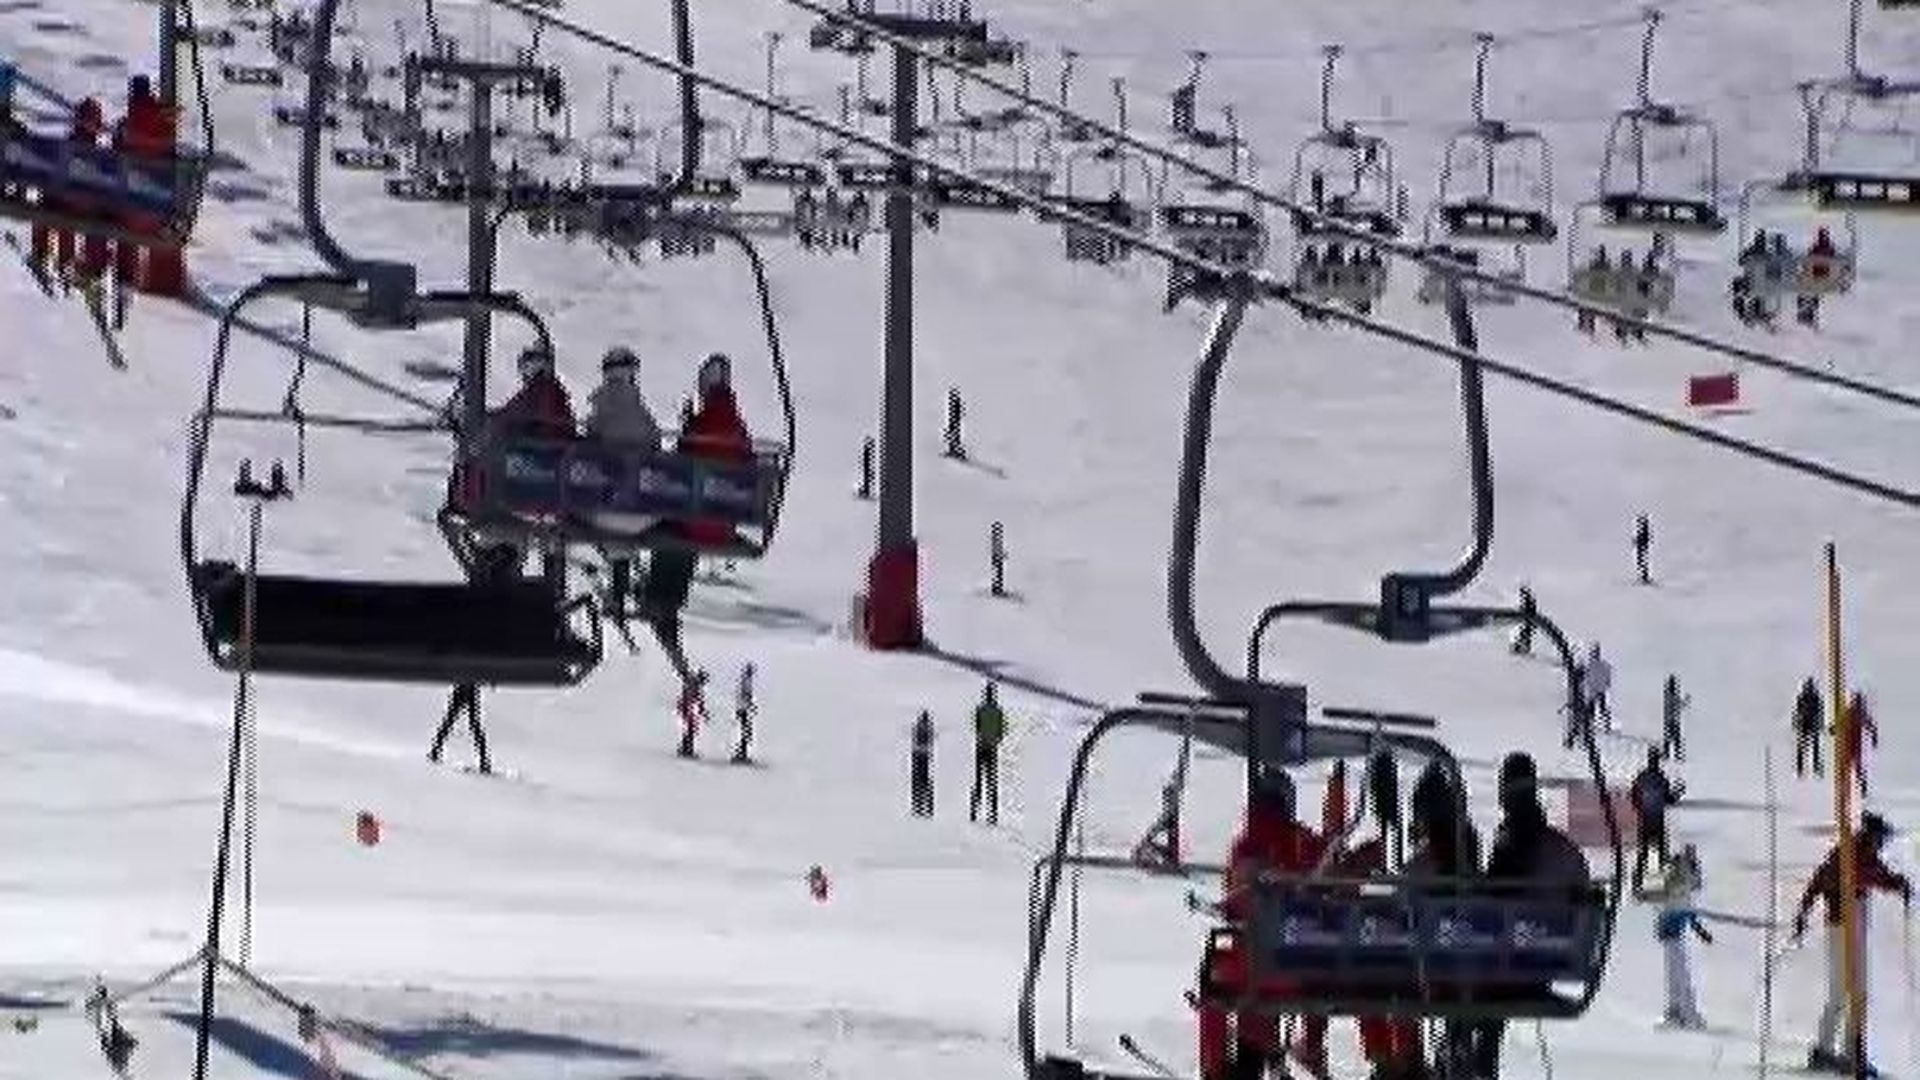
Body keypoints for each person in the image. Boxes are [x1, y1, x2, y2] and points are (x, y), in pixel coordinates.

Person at [1199, 764, 1327, 1080]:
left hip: (1255, 970)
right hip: (1304, 970)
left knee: (1221, 977)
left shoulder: (1246, 845)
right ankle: (1281, 1049)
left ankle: (1219, 1069)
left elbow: (1237, 900)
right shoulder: (1305, 841)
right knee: (1257, 967)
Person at [1471, 753, 1592, 1080]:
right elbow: (1582, 889)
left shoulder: (1513, 843)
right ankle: (1478, 1064)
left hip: (1507, 970)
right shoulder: (1559, 846)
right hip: (1545, 965)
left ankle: (1475, 1065)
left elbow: (1494, 899)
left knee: (1461, 982)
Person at [1790, 812, 1912, 1075]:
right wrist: (1893, 883)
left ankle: (1835, 1050)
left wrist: (1895, 882)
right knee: (1851, 992)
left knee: (1846, 993)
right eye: (1881, 839)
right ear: (1872, 835)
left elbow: (1872, 872)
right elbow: (1864, 875)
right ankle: (1846, 1053)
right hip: (1844, 926)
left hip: (1847, 924)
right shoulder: (1852, 854)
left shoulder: (1855, 851)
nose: (1882, 845)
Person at [1404, 761, 1482, 1080]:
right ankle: (1458, 1052)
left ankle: (1407, 1064)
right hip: (1475, 964)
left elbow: (1400, 903)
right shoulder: (1465, 854)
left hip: (1433, 970)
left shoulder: (1428, 860)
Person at [584, 346, 663, 608]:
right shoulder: (642, 415)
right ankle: (622, 581)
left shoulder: (600, 411)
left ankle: (617, 584)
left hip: (604, 507)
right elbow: (656, 450)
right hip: (642, 511)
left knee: (593, 507)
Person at [112, 74, 184, 297]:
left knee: (124, 224)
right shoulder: (164, 121)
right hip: (159, 207)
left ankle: (124, 275)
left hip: (130, 208)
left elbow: (115, 155)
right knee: (163, 223)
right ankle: (165, 281)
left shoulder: (127, 126)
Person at [31, 98, 111, 286]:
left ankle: (43, 252)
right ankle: (87, 265)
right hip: (86, 209)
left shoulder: (64, 147)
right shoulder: (102, 155)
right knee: (92, 214)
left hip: (63, 204)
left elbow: (47, 175)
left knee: (52, 203)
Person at [1652, 844, 1712, 1029]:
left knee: (1679, 975)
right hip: (1672, 932)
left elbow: (1681, 908)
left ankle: (1688, 1015)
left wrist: (1698, 930)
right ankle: (1677, 1012)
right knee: (1676, 975)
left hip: (1674, 932)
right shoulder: (1680, 882)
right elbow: (1680, 907)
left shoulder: (1681, 882)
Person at [1630, 746, 1684, 894]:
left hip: (1645, 820)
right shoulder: (1661, 779)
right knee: (1661, 855)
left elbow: (1633, 796)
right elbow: (1669, 800)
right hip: (1657, 821)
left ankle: (1637, 885)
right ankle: (1662, 885)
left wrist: (1640, 810)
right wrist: (1678, 793)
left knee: (1643, 855)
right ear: (1657, 761)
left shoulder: (1641, 777)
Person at [970, 682, 1006, 825]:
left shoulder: (981, 709)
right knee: (991, 781)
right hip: (992, 747)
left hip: (981, 746)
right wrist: (995, 740)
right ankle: (993, 815)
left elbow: (977, 728)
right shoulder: (997, 711)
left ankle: (974, 812)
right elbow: (1001, 730)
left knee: (978, 780)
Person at [1794, 677, 1825, 779]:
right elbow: (1798, 711)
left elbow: (1798, 712)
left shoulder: (1805, 697)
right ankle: (1810, 768)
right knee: (1812, 747)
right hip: (1809, 724)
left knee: (1806, 748)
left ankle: (1803, 769)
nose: (1810, 688)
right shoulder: (1814, 697)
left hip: (1806, 724)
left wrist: (1796, 723)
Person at [1580, 643, 1613, 731]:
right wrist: (1606, 685)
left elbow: (1586, 677)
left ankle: (1594, 725)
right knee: (1600, 708)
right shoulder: (1603, 665)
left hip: (1595, 690)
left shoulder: (1591, 665)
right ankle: (1604, 725)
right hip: (1598, 689)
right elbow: (1608, 677)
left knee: (1594, 708)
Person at [909, 710, 935, 817]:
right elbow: (930, 741)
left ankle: (917, 806)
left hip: (917, 754)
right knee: (925, 780)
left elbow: (914, 739)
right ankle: (929, 807)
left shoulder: (917, 727)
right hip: (925, 755)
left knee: (916, 781)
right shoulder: (929, 728)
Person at [1661, 674, 1690, 762]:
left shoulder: (1666, 696)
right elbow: (1680, 706)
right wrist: (1686, 700)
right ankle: (1677, 756)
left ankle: (1666, 755)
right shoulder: (1672, 697)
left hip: (1667, 721)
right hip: (1673, 721)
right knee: (1676, 740)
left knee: (1668, 739)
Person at [731, 661, 756, 764]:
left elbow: (744, 696)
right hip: (743, 709)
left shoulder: (745, 681)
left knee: (745, 733)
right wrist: (749, 704)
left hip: (743, 709)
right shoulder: (745, 681)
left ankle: (741, 753)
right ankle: (741, 755)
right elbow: (745, 695)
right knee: (746, 733)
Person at [1510, 584, 1535, 656]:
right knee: (1525, 631)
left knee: (1526, 631)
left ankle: (1522, 647)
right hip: (1527, 619)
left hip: (1527, 619)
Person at [1632, 513, 1652, 585]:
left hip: (1643, 546)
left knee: (1643, 559)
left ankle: (1643, 577)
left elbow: (1646, 537)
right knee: (1642, 559)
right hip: (1641, 546)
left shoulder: (1643, 529)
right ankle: (1642, 577)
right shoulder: (1639, 529)